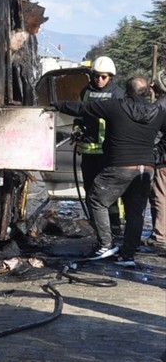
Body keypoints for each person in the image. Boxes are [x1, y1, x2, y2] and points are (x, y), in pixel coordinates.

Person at [54, 75, 166, 267]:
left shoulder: (115, 106)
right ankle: (128, 256)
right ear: (147, 92)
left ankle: (106, 244)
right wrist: (156, 154)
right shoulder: (157, 111)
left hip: (119, 167)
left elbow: (82, 108)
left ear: (126, 90)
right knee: (135, 212)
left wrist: (57, 104)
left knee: (96, 199)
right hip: (146, 169)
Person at [73, 56, 121, 235]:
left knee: (109, 192)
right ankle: (96, 224)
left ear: (111, 77)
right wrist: (77, 129)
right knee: (90, 189)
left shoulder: (117, 94)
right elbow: (79, 115)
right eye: (97, 76)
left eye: (104, 77)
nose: (99, 80)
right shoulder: (85, 92)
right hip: (88, 150)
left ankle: (114, 224)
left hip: (108, 151)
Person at [149, 71, 166, 250]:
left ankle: (160, 235)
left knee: (160, 196)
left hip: (162, 159)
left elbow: (154, 135)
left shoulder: (160, 106)